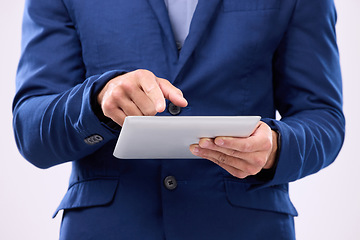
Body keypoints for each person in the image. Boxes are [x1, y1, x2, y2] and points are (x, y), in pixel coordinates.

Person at [13, 0, 345, 239]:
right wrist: (97, 102)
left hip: (244, 229)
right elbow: (31, 130)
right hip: (109, 228)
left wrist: (276, 146)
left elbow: (323, 117)